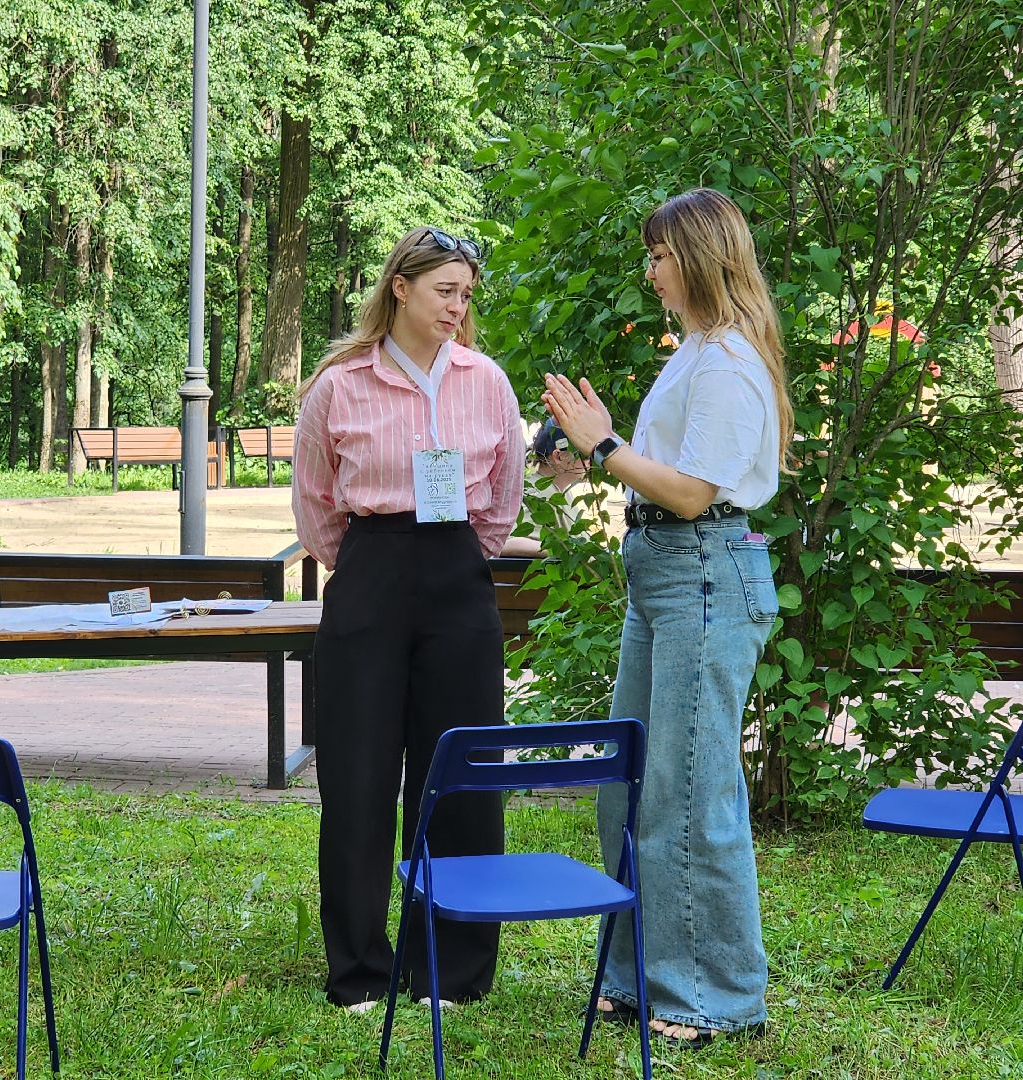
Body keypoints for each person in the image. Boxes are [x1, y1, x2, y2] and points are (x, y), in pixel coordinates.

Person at [541, 188, 793, 1048]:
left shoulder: (725, 361)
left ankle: (713, 999)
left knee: (688, 792)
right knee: (630, 783)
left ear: (701, 258)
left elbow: (690, 494)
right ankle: (635, 979)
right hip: (667, 574)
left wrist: (605, 446)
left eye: (660, 256)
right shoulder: (694, 351)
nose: (650, 272)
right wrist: (587, 455)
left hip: (704, 576)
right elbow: (665, 472)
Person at [291, 226, 525, 1013]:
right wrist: (372, 564)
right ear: (400, 287)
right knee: (357, 776)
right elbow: (316, 504)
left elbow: (501, 501)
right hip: (370, 577)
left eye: (466, 294)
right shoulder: (339, 386)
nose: (458, 307)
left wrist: (452, 559)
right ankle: (359, 970)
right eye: (444, 291)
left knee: (460, 775)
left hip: (459, 579)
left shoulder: (486, 381)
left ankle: (450, 969)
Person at [499, 418, 588, 557]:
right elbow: (506, 543)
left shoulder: (560, 490)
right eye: (584, 453)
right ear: (559, 456)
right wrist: (568, 553)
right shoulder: (536, 493)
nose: (590, 459)